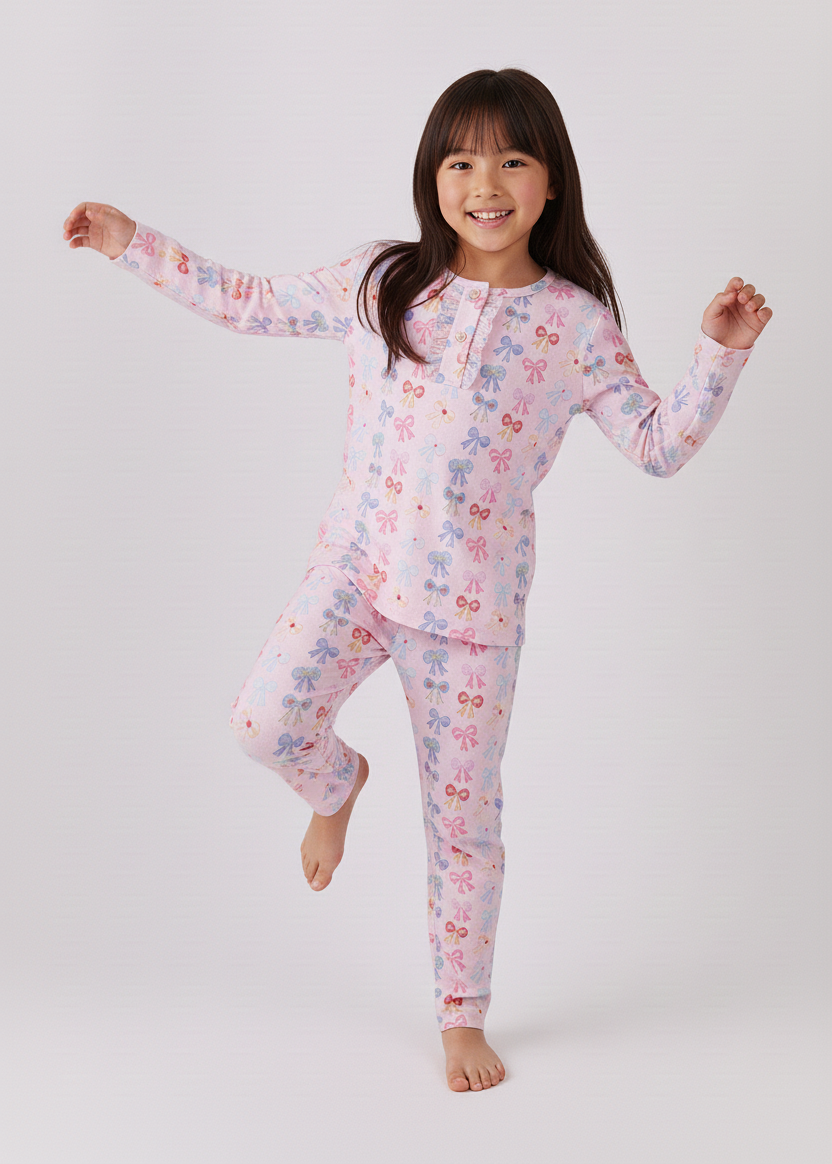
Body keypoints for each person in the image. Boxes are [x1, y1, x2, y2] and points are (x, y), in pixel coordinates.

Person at [62, 67, 771, 1094]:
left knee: (463, 825)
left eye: (513, 160)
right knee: (263, 719)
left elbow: (658, 447)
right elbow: (251, 304)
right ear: (432, 177)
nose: (486, 184)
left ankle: (460, 1016)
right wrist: (132, 241)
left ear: (551, 183)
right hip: (356, 571)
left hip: (472, 619)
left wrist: (718, 354)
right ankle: (336, 783)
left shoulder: (573, 323)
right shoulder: (383, 280)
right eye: (461, 161)